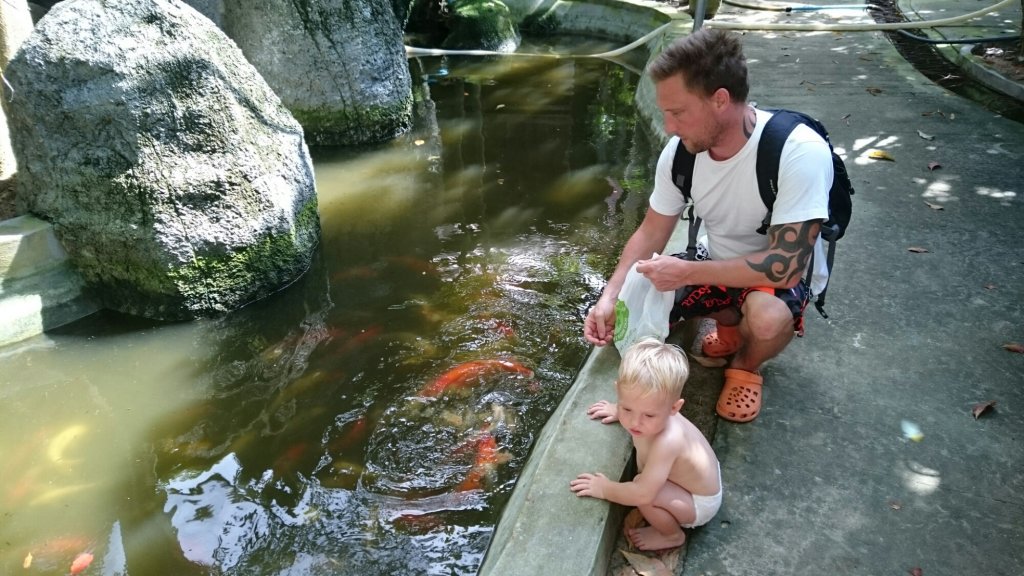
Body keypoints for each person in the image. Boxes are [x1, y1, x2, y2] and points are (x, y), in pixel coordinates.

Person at [583, 28, 832, 423]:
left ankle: (746, 365)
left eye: (678, 113)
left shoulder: (798, 151)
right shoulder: (680, 154)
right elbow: (651, 230)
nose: (668, 127)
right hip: (714, 259)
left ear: (720, 100)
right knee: (636, 303)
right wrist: (611, 296)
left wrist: (686, 272)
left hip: (771, 279)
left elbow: (784, 267)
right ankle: (729, 322)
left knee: (767, 317)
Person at [569, 338, 721, 550]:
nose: (634, 422)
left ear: (674, 408)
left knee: (644, 490)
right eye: (627, 409)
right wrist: (618, 410)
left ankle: (672, 536)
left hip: (699, 502)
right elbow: (639, 408)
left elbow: (642, 493)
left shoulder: (667, 441)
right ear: (618, 392)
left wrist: (605, 489)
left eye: (648, 415)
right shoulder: (655, 411)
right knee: (646, 482)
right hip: (694, 481)